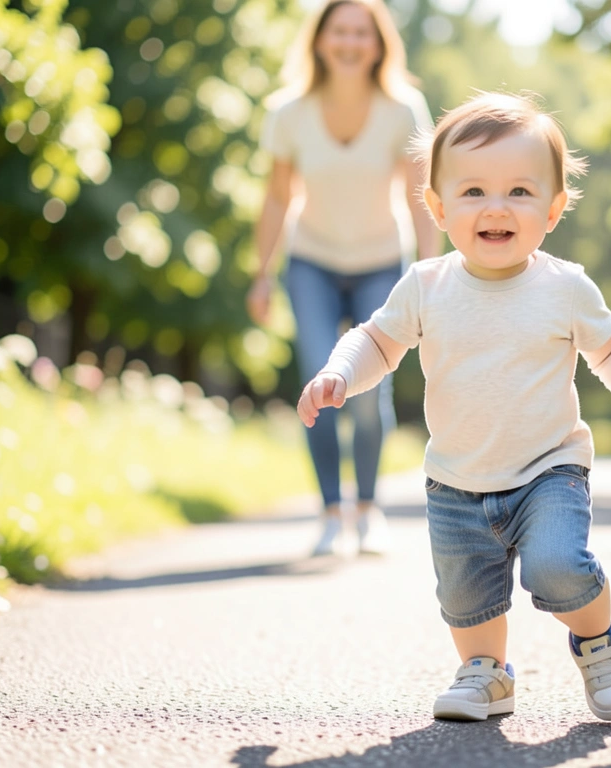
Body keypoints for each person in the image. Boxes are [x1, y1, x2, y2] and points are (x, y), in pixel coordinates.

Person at [295, 92, 611, 722]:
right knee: (467, 594)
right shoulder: (427, 284)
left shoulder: (564, 287)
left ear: (554, 209)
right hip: (455, 478)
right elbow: (377, 340)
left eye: (520, 192)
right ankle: (486, 672)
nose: (495, 207)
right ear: (438, 207)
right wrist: (341, 370)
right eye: (473, 192)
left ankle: (599, 642)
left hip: (548, 469)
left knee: (558, 567)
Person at [247, 0, 439, 557]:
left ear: (379, 44)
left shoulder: (404, 108)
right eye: (340, 31)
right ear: (320, 40)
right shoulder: (289, 111)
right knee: (319, 378)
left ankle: (368, 508)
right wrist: (260, 275)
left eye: (362, 32)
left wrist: (429, 275)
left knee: (368, 388)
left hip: (382, 260)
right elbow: (277, 198)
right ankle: (332, 512)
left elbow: (419, 197)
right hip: (311, 263)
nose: (351, 42)